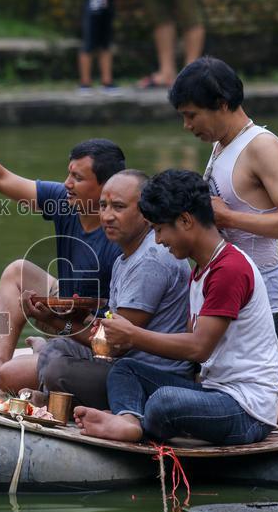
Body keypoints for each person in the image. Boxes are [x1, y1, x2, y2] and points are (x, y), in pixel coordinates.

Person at [76, 170, 278, 444]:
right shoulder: (201, 269)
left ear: (186, 221)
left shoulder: (229, 268)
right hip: (216, 392)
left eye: (161, 229)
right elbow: (194, 345)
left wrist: (132, 336)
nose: (158, 240)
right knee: (126, 370)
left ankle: (137, 422)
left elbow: (198, 348)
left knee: (165, 402)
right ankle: (129, 421)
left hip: (245, 411)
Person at [0, 121, 124, 391]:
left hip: (98, 337)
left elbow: (115, 335)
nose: (67, 184)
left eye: (78, 179)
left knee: (10, 376)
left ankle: (42, 355)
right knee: (17, 272)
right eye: (68, 174)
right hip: (68, 311)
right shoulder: (65, 201)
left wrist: (59, 324)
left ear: (107, 188)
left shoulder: (121, 235)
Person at [170, 56, 278, 337]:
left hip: (259, 293)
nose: (186, 125)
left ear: (221, 104)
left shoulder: (262, 147)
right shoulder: (221, 143)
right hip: (222, 289)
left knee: (243, 381)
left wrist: (229, 218)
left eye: (191, 115)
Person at [37, 169, 193, 407]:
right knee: (56, 349)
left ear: (145, 213)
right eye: (103, 206)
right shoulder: (125, 258)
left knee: (57, 370)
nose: (107, 216)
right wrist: (80, 316)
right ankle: (53, 398)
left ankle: (55, 401)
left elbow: (112, 346)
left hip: (152, 378)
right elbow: (110, 330)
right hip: (123, 365)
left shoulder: (150, 259)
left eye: (118, 207)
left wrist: (58, 322)